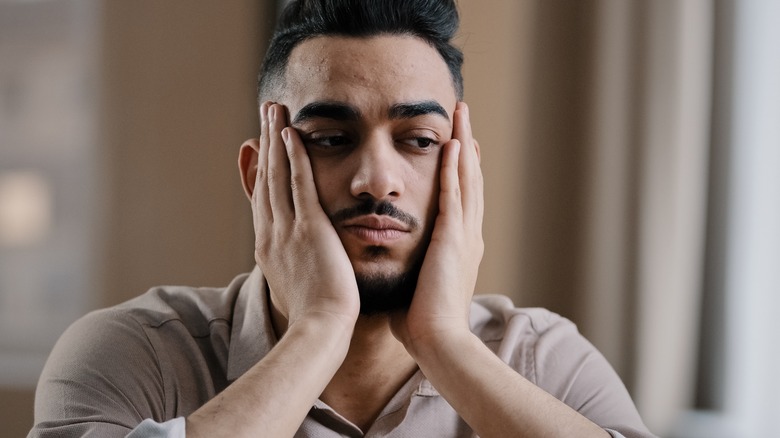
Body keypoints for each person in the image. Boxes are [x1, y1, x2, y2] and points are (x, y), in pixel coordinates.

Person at [30, 0, 655, 437]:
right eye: (331, 137)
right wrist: (320, 332)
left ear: (462, 176)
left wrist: (445, 344)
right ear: (259, 175)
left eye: (418, 141)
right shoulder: (136, 355)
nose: (376, 180)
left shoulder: (544, 361)